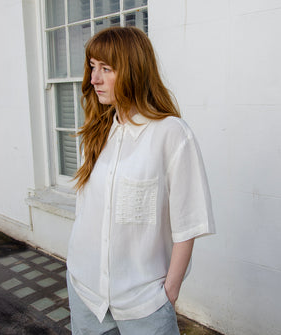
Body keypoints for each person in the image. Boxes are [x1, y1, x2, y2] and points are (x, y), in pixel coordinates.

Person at [66, 26, 215, 335]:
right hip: (86, 294)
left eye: (106, 69)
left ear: (133, 71)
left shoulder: (172, 135)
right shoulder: (94, 134)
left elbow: (189, 224)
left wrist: (168, 294)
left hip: (144, 304)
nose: (94, 79)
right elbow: (86, 213)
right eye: (93, 67)